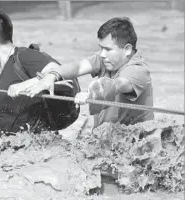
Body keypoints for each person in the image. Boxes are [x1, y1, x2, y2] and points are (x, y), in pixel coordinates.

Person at [8, 17, 154, 128]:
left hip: (136, 143)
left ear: (127, 49)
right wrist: (52, 76)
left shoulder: (138, 70)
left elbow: (118, 85)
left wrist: (92, 94)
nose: (102, 54)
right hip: (107, 135)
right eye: (101, 48)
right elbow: (77, 67)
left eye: (108, 49)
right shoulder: (104, 59)